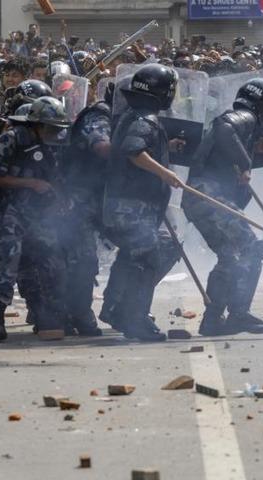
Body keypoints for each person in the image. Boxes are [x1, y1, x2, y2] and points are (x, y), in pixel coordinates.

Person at [183, 78, 263, 336]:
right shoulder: (244, 117)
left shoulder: (247, 126)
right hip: (209, 196)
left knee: (230, 255)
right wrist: (244, 162)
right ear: (262, 106)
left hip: (200, 198)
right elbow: (224, 128)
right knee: (251, 248)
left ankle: (213, 320)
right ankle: (238, 314)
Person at [99, 64, 184, 342]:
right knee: (151, 255)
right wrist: (166, 173)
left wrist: (165, 147)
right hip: (131, 208)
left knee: (137, 255)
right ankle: (134, 317)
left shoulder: (132, 115)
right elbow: (134, 151)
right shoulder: (145, 119)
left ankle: (115, 307)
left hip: (127, 206)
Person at [0, 96, 70, 343]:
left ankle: (43, 313)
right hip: (10, 210)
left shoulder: (53, 144)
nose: (55, 133)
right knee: (10, 261)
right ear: (36, 124)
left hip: (39, 214)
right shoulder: (12, 139)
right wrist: (31, 184)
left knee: (49, 260)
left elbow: (56, 176)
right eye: (50, 128)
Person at [55, 83, 114, 337]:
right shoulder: (98, 115)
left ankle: (120, 306)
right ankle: (73, 314)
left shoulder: (118, 117)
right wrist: (136, 150)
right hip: (77, 199)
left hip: (100, 199)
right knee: (81, 259)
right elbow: (102, 147)